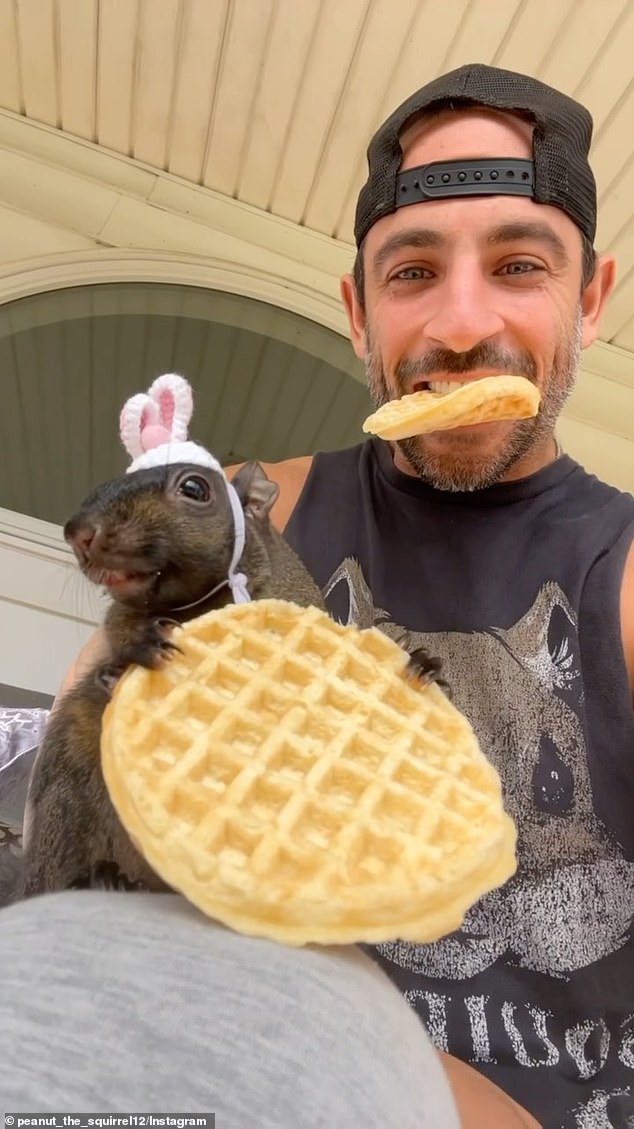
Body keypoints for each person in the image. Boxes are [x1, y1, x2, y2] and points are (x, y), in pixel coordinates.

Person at [55, 63, 633, 1128]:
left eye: (517, 263)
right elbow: (79, 798)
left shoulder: (622, 573)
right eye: (412, 272)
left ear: (587, 298)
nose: (461, 327)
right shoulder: (235, 516)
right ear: (357, 310)